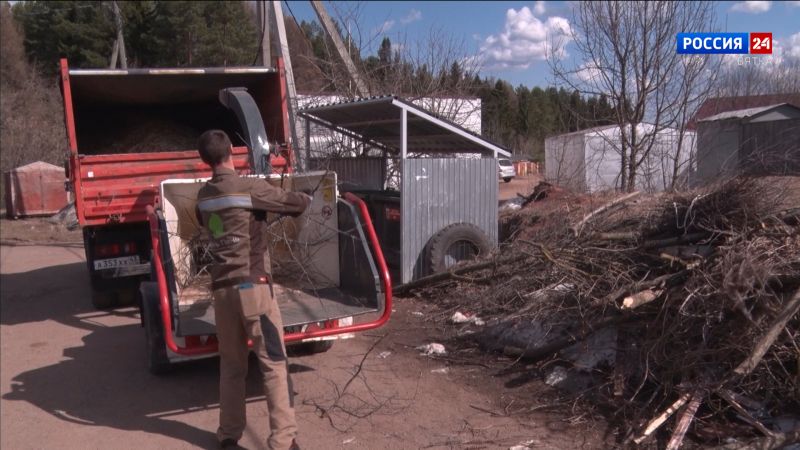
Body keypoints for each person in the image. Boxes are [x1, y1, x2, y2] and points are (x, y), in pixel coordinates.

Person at [195, 129, 311, 450]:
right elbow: (292, 203)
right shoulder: (248, 187)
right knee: (273, 363)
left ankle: (229, 436)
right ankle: (283, 441)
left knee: (232, 366)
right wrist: (307, 197)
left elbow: (210, 226)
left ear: (205, 160)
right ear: (231, 151)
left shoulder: (204, 197)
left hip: (222, 292)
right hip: (254, 289)